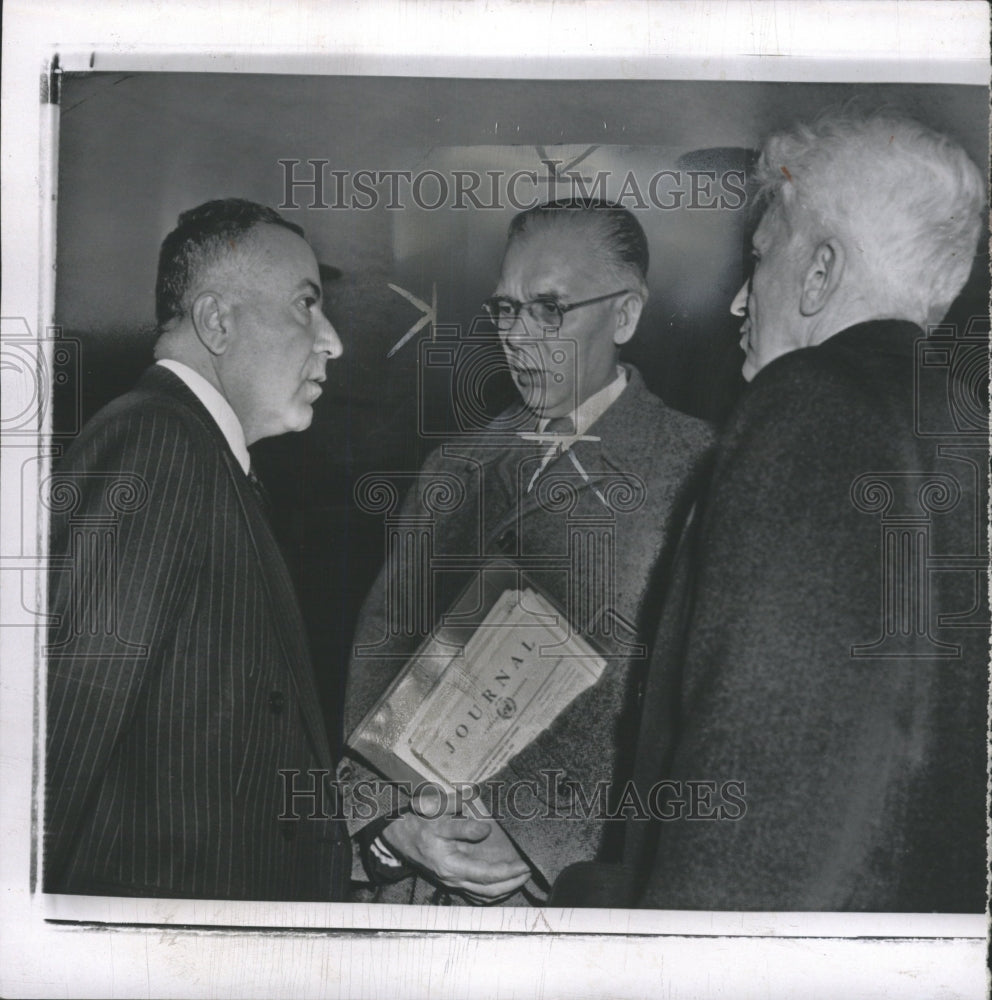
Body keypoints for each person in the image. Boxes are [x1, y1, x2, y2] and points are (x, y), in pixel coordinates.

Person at [552, 111, 988, 911]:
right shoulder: (967, 430)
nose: (738, 304)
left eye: (760, 261)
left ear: (819, 273)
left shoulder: (808, 404)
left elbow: (754, 773)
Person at [340, 200, 715, 904]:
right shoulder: (454, 466)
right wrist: (389, 829)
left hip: (569, 904)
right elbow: (380, 653)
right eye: (505, 309)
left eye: (549, 310)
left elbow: (698, 716)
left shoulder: (699, 469)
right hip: (409, 897)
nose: (516, 336)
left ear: (627, 315)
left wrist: (533, 832)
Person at [45, 198, 351, 901]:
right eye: (307, 305)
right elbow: (62, 737)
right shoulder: (160, 444)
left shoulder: (207, 460)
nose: (332, 339)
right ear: (216, 321)